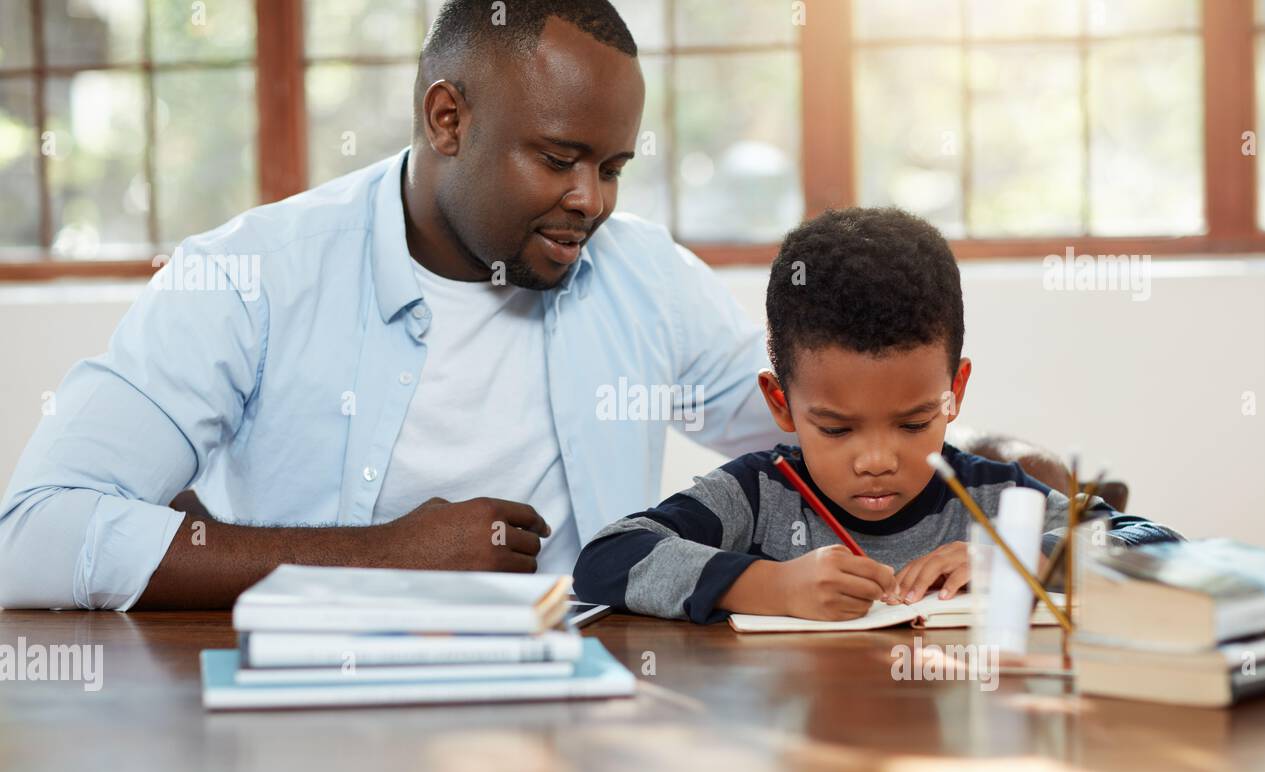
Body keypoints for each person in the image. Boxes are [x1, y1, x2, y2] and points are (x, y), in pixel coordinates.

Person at [0, 0, 782, 611]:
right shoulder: (250, 277)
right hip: (326, 725)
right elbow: (34, 534)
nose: (592, 200)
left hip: (589, 715)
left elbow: (829, 425)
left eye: (612, 168)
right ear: (449, 119)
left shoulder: (643, 273)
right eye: (557, 159)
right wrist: (382, 556)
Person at [572, 207, 1183, 623]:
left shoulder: (992, 499)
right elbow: (605, 561)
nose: (877, 460)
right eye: (836, 428)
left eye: (914, 423)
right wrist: (771, 586)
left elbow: (1155, 544)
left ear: (955, 391)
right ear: (780, 402)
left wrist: (1021, 558)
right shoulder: (757, 496)